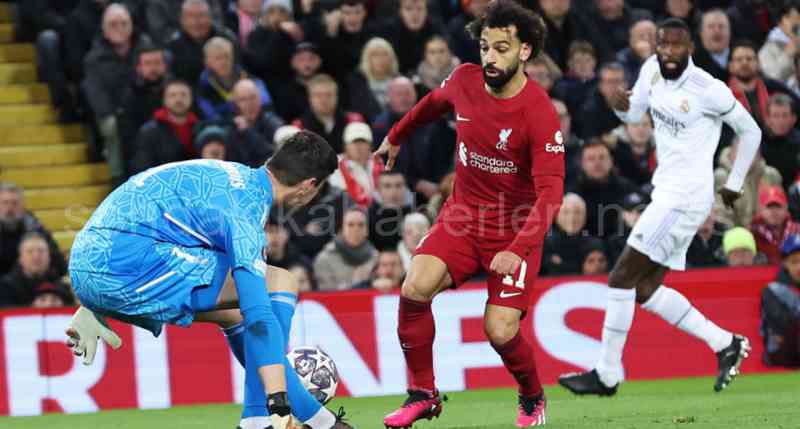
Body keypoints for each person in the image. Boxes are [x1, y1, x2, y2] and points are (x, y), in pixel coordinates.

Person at [64, 131, 353, 429]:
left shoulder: (231, 177)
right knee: (280, 283)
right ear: (308, 187)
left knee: (232, 314)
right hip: (124, 265)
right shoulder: (246, 211)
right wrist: (278, 402)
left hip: (94, 256)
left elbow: (140, 204)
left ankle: (270, 421)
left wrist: (92, 300)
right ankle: (280, 419)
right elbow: (259, 315)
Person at [374, 2, 564, 426]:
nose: (490, 57)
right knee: (414, 288)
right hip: (461, 219)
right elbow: (431, 104)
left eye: (501, 48)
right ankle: (423, 393)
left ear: (525, 52)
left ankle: (532, 395)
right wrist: (396, 136)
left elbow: (551, 194)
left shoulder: (538, 112)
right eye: (484, 47)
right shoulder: (464, 80)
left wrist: (518, 249)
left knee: (498, 331)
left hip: (513, 233)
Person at [558, 18, 761, 396]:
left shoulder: (708, 89)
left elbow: (751, 131)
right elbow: (635, 114)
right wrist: (621, 108)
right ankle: (726, 343)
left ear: (690, 49)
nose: (668, 52)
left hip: (684, 198)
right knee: (646, 288)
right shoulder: (651, 69)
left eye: (677, 46)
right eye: (663, 45)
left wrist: (733, 184)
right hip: (666, 191)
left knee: (620, 277)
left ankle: (607, 373)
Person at [129, 79, 199, 175]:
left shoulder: (200, 128)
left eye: (184, 95)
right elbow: (142, 166)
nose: (178, 99)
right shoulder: (149, 131)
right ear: (164, 100)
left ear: (191, 99)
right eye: (172, 95)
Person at [714, 136, 783, 228]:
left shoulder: (771, 175)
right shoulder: (722, 177)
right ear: (731, 153)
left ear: (759, 155)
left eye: (751, 152)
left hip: (766, 232)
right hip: (736, 236)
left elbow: (780, 210)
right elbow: (722, 216)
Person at [0, 183, 66, 277]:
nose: (10, 208)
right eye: (5, 202)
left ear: (22, 206)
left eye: (14, 203)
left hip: (32, 284)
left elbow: (61, 267)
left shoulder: (36, 229)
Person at [312, 207, 378, 291]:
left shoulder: (376, 257)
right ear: (342, 229)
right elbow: (325, 294)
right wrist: (355, 283)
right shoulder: (324, 259)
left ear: (367, 230)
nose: (356, 229)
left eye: (361, 225)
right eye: (350, 225)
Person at [761, 234, 800, 367]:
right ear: (785, 264)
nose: (799, 267)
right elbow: (783, 323)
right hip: (781, 352)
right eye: (794, 262)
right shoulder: (772, 290)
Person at [0, 233, 67, 308]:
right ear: (20, 258)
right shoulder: (6, 288)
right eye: (30, 251)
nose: (36, 256)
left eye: (41, 251)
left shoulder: (61, 287)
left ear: (49, 257)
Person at [751, 185, 800, 264]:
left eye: (778, 206)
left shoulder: (797, 230)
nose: (774, 212)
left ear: (786, 208)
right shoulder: (752, 233)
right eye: (769, 207)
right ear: (761, 210)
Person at [758, 1, 800, 82]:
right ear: (780, 23)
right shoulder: (767, 50)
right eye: (789, 17)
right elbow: (772, 79)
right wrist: (787, 56)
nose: (795, 23)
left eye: (798, 18)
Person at [691, 9, 731, 82]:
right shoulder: (692, 63)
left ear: (729, 31)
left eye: (721, 26)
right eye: (711, 26)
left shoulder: (742, 56)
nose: (717, 30)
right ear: (701, 33)